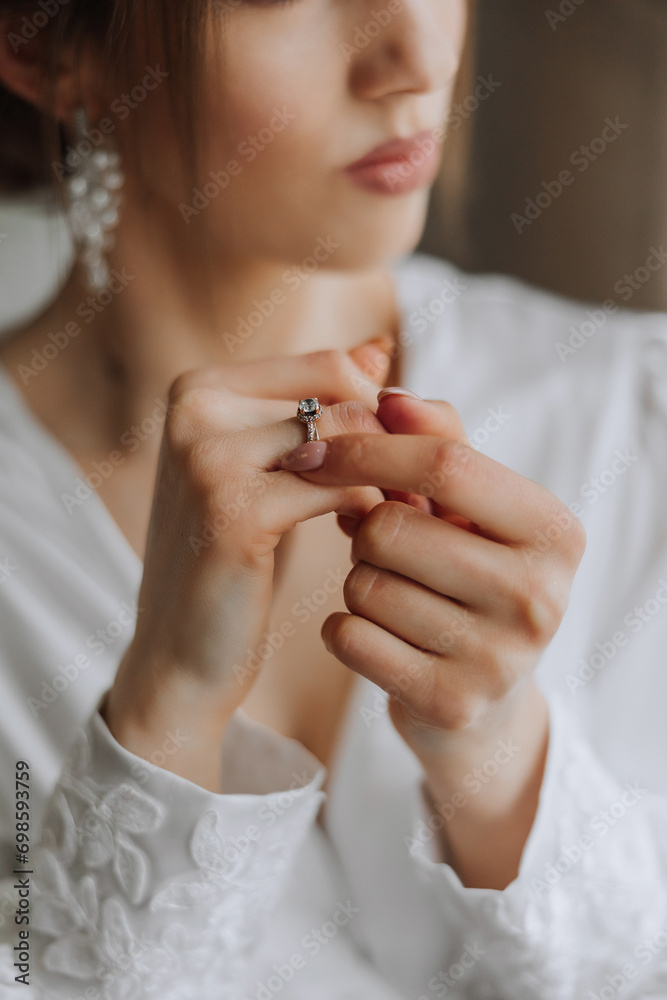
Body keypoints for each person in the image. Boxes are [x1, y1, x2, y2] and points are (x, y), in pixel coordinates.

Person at [0, 1, 666, 997]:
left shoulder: (635, 415)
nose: (415, 57)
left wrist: (502, 763)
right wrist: (164, 719)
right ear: (49, 44)